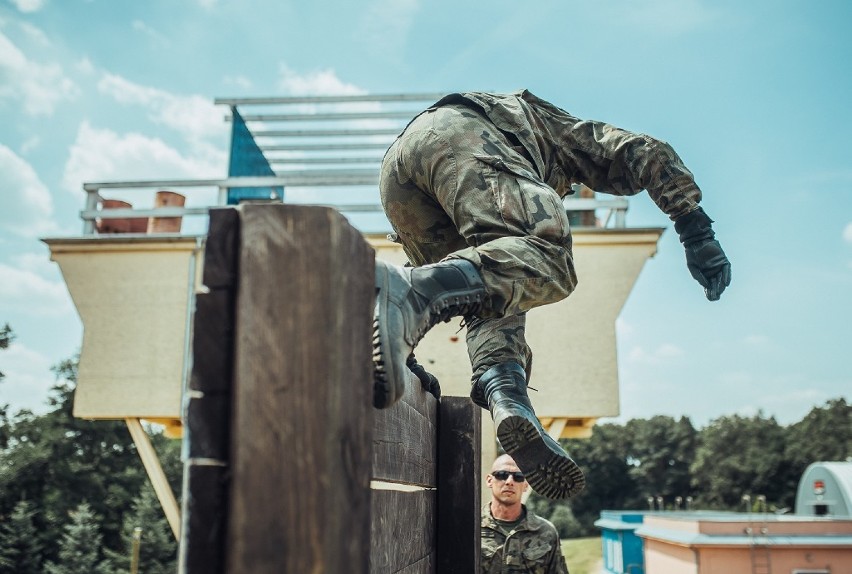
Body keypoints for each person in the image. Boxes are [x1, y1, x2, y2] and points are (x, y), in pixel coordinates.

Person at [372, 90, 732, 499]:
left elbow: (487, 285)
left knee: (489, 293)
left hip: (398, 173)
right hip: (460, 135)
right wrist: (695, 228)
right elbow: (645, 151)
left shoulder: (515, 172)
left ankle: (504, 395)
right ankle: (412, 291)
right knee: (548, 254)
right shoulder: (564, 135)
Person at [481, 454, 569, 573]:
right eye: (502, 475)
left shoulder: (546, 532)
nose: (509, 482)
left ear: (526, 485)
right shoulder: (470, 527)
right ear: (489, 480)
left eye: (518, 477)